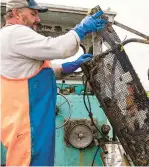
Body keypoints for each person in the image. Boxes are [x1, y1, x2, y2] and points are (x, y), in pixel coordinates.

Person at [0, 0, 107, 166]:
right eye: (33, 14)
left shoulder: (9, 38)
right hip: (28, 126)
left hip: (28, 124)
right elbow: (58, 47)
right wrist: (81, 29)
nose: (37, 19)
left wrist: (70, 66)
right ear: (15, 13)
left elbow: (38, 71)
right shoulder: (15, 33)